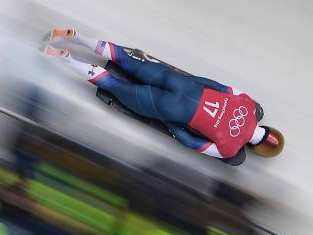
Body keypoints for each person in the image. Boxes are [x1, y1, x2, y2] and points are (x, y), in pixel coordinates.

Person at [42, 28, 282, 164]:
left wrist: (192, 82)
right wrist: (167, 122)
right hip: (170, 110)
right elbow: (189, 141)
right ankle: (65, 58)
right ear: (258, 149)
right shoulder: (229, 150)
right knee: (115, 86)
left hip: (181, 83)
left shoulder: (248, 103)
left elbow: (216, 86)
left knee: (124, 59)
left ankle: (74, 36)